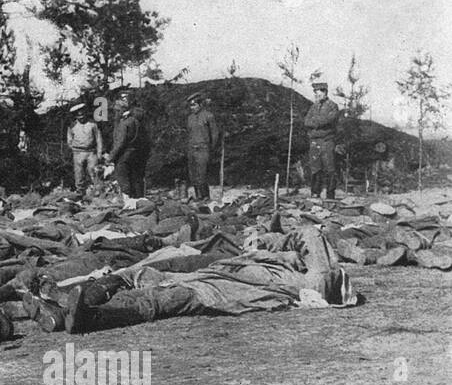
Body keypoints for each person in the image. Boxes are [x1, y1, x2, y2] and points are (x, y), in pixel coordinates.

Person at [26, 225, 354, 335]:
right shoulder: (282, 262)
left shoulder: (316, 279)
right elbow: (284, 240)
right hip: (215, 275)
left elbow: (310, 233)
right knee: (140, 274)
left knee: (170, 298)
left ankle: (90, 317)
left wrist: (281, 253)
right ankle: (62, 302)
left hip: (221, 290)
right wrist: (274, 248)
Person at [105, 92, 150, 199]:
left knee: (123, 178)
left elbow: (120, 143)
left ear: (122, 110)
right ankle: (138, 199)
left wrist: (111, 157)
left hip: (124, 154)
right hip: (135, 153)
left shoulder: (124, 123)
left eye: (117, 110)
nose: (115, 113)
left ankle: (128, 201)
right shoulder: (135, 121)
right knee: (135, 178)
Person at [304, 81, 340, 199]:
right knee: (315, 168)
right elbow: (306, 121)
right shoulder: (313, 107)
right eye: (315, 95)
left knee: (330, 168)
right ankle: (315, 193)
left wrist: (315, 123)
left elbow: (329, 120)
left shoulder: (332, 106)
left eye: (318, 94)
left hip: (327, 141)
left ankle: (330, 195)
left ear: (325, 93)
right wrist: (318, 122)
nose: (316, 97)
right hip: (314, 142)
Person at [184, 92, 221, 201]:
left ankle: (205, 196)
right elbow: (189, 133)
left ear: (200, 105)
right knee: (193, 174)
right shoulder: (190, 118)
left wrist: (210, 148)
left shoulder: (208, 116)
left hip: (203, 149)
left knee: (202, 174)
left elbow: (215, 134)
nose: (192, 108)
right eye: (191, 105)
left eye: (194, 105)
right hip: (191, 149)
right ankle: (198, 196)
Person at [65, 102, 103, 195]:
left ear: (85, 113)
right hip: (78, 153)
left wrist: (99, 153)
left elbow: (99, 138)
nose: (81, 117)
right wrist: (74, 148)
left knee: (94, 172)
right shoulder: (72, 126)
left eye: (82, 115)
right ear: (76, 116)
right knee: (79, 174)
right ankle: (80, 193)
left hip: (91, 152)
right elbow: (69, 139)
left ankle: (97, 192)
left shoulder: (92, 124)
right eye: (79, 116)